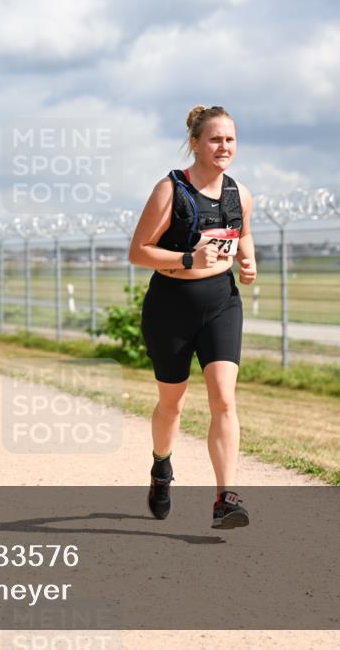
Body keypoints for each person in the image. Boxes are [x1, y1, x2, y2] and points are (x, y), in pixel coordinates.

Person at [127, 104, 257, 529]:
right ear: (196, 143)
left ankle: (226, 499)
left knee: (223, 398)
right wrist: (188, 257)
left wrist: (249, 261)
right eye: (216, 139)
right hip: (171, 307)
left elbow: (244, 234)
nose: (224, 147)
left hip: (221, 303)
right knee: (173, 404)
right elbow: (138, 251)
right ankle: (161, 467)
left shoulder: (241, 194)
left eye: (230, 139)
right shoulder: (171, 190)